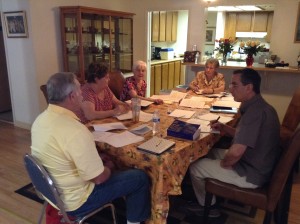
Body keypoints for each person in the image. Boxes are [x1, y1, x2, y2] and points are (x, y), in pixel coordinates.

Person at [31, 72, 151, 224]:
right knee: (139, 177)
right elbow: (99, 178)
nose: (82, 94)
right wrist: (110, 166)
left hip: (52, 194)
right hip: (77, 202)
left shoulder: (39, 120)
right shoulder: (75, 130)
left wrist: (96, 159)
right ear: (72, 97)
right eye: (79, 90)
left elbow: (64, 154)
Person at [187, 68, 281, 217]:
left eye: (235, 85)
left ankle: (209, 207)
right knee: (208, 152)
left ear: (249, 87)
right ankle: (210, 193)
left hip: (251, 173)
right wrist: (226, 128)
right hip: (257, 162)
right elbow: (248, 136)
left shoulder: (254, 113)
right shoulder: (262, 107)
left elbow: (236, 152)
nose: (230, 89)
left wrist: (225, 164)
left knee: (195, 166)